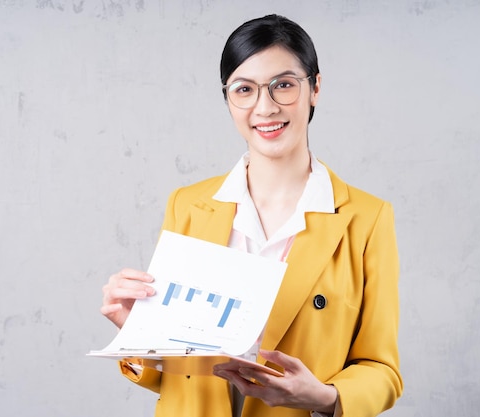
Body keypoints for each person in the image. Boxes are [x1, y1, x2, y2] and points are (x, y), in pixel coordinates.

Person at [100, 14, 402, 417]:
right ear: (228, 98)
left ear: (314, 87)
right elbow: (176, 378)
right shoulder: (188, 206)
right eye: (244, 89)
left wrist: (323, 397)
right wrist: (137, 331)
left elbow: (382, 370)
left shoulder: (366, 219)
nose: (265, 107)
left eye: (283, 85)